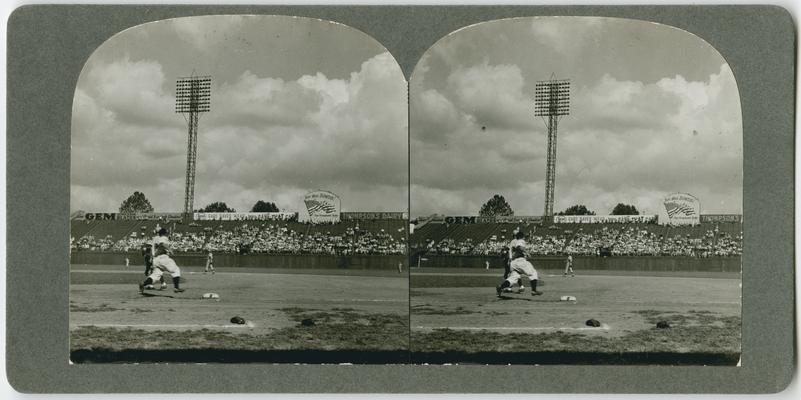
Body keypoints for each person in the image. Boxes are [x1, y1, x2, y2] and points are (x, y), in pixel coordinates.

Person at [496, 230, 542, 297]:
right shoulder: (520, 240)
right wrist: (526, 252)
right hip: (520, 261)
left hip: (513, 263)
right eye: (524, 236)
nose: (525, 238)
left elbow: (511, 250)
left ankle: (501, 287)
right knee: (533, 272)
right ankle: (534, 290)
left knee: (513, 278)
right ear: (521, 237)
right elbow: (519, 247)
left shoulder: (512, 241)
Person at [139, 228, 184, 293]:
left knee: (155, 276)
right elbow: (162, 244)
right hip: (162, 257)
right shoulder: (163, 237)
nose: (167, 234)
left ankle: (143, 283)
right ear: (164, 233)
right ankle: (176, 288)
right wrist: (170, 250)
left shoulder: (154, 239)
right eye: (166, 232)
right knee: (176, 270)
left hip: (155, 260)